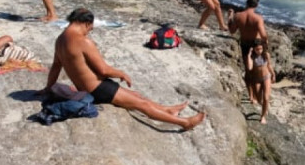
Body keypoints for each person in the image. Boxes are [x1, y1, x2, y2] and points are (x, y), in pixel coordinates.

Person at [43, 8, 204, 130]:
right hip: (98, 89)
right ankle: (185, 123)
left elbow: (56, 67)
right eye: (90, 28)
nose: (89, 31)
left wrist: (48, 88)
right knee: (142, 105)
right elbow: (103, 70)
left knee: (136, 96)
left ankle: (168, 110)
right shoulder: (83, 41)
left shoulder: (60, 40)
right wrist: (122, 74)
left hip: (92, 87)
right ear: (86, 23)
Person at [228, 0, 268, 75]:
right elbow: (263, 35)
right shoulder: (258, 18)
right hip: (256, 44)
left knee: (248, 68)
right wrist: (265, 45)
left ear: (246, 3)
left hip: (244, 44)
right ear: (257, 5)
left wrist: (230, 17)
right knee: (260, 68)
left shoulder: (238, 16)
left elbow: (232, 31)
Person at [245, 42, 274, 124]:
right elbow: (250, 68)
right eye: (257, 49)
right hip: (257, 79)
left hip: (266, 77)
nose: (259, 51)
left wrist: (273, 74)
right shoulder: (252, 57)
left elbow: (269, 65)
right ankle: (265, 107)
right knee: (258, 99)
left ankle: (263, 116)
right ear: (254, 49)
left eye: (261, 49)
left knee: (266, 98)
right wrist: (248, 55)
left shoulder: (266, 55)